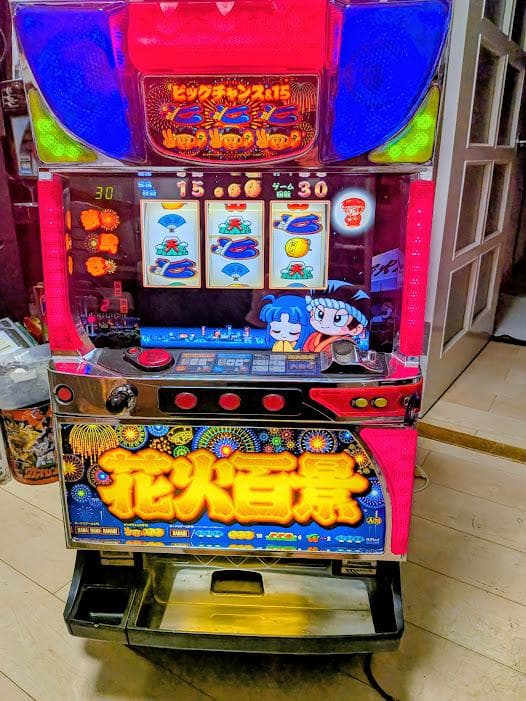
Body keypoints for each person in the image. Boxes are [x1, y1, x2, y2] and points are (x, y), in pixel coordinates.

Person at [303, 281, 369, 353]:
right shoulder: (313, 337)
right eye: (320, 314)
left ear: (356, 329)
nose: (324, 323)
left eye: (338, 319)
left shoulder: (346, 343)